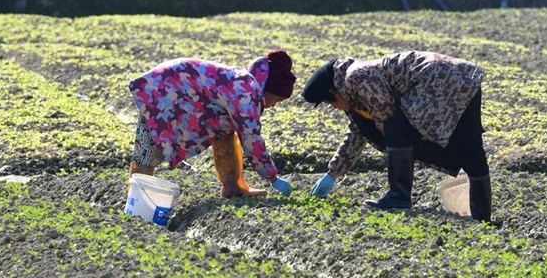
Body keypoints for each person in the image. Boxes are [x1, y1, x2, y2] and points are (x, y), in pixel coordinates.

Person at [301, 50, 491, 222]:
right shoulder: (354, 89)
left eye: (329, 102)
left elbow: (387, 114)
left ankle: (398, 197)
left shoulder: (356, 76)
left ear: (334, 91)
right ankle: (482, 216)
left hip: (437, 79)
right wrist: (332, 174)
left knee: (395, 125)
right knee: (469, 145)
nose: (334, 107)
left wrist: (394, 136)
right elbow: (357, 133)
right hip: (466, 78)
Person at [128, 50, 296, 198]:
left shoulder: (245, 83)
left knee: (225, 128)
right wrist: (273, 178)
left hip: (173, 83)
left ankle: (232, 186)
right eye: (277, 99)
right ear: (268, 87)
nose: (274, 104)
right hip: (164, 88)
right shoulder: (247, 95)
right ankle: (137, 202)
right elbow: (253, 140)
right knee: (149, 149)